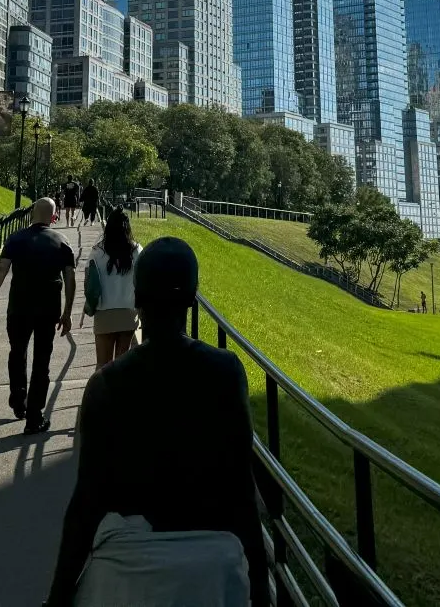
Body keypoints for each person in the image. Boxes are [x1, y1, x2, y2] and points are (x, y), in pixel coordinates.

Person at [47, 238, 268, 607]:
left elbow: (86, 504)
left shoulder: (105, 385)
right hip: (213, 572)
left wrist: (56, 598)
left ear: (137, 297)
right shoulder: (226, 372)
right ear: (192, 300)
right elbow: (241, 488)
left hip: (125, 576)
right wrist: (260, 589)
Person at [0, 197, 75, 433]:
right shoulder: (62, 242)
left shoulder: (16, 239)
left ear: (33, 213)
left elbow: (2, 268)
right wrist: (67, 312)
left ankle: (18, 401)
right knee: (42, 361)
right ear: (53, 216)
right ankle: (35, 416)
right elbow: (70, 279)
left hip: (19, 306)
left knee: (17, 352)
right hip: (48, 309)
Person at [86, 206, 141, 367]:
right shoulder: (136, 250)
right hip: (128, 312)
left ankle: (101, 392)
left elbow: (89, 281)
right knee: (122, 367)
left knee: (103, 365)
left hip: (104, 313)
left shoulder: (97, 252)